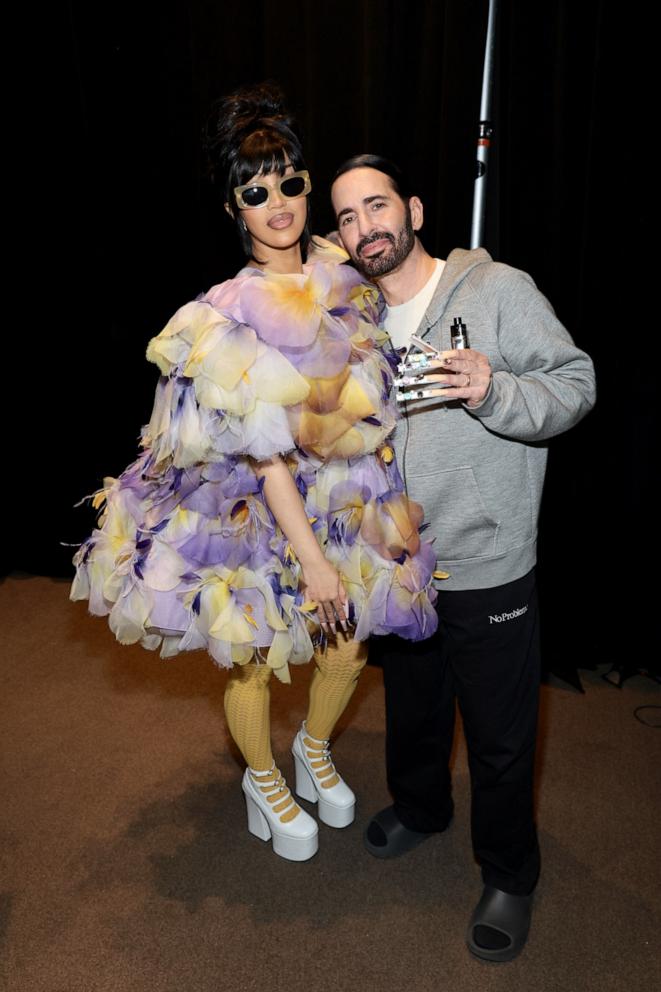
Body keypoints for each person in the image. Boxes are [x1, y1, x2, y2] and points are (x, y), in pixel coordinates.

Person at [70, 91, 439, 864]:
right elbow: (265, 456)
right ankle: (262, 778)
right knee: (254, 656)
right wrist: (309, 561)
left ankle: (310, 747)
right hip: (255, 511)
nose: (278, 203)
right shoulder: (221, 315)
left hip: (345, 500)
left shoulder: (342, 273)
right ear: (234, 205)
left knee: (346, 649)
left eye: (291, 182)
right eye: (256, 190)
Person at [330, 154, 596, 960]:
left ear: (410, 207)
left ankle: (510, 873)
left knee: (500, 736)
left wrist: (490, 390)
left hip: (487, 563)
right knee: (411, 707)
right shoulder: (356, 316)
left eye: (376, 206)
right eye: (346, 216)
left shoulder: (495, 290)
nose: (365, 226)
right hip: (401, 566)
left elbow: (575, 383)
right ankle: (420, 808)